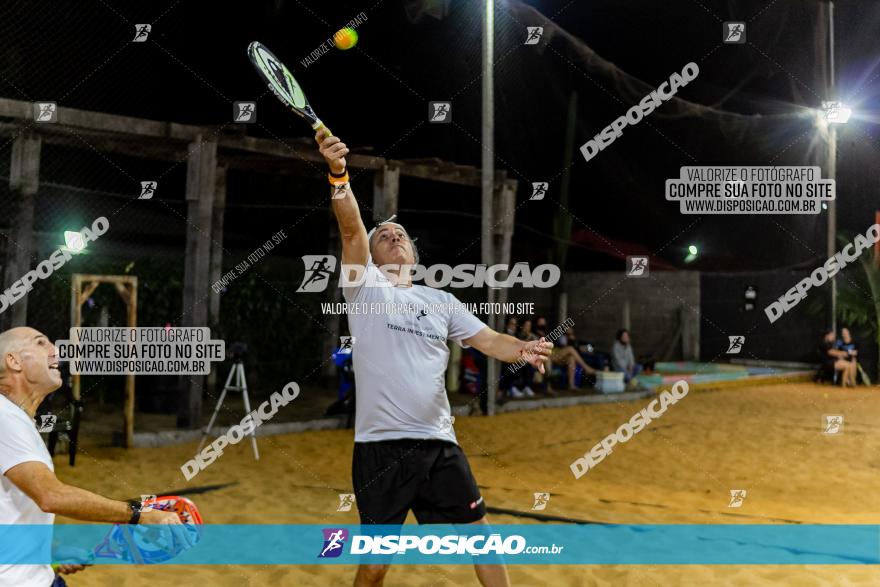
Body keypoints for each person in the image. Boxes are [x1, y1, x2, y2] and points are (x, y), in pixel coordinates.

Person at [317, 130, 551, 587]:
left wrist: (520, 349)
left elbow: (488, 341)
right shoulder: (364, 288)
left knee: (481, 536)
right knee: (376, 562)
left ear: (415, 257)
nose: (392, 236)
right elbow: (350, 228)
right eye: (383, 235)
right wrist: (338, 173)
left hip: (439, 443)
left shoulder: (441, 301)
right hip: (380, 447)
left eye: (399, 234)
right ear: (373, 253)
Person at [0, 327, 187, 587]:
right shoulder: (4, 417)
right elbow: (50, 496)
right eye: (41, 343)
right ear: (14, 361)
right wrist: (138, 514)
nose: (55, 349)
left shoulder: (14, 419)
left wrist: (51, 550)